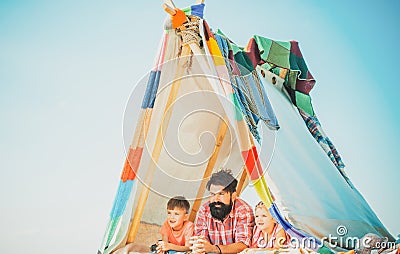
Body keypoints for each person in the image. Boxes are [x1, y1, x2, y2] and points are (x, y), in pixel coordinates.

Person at [190, 169, 255, 254]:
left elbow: (243, 245)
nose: (216, 199)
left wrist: (214, 249)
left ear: (233, 196)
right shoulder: (204, 211)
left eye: (221, 194)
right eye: (213, 194)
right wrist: (199, 247)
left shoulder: (243, 210)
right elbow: (201, 243)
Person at [114, 196, 193, 254]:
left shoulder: (189, 226)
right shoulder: (167, 224)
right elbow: (164, 242)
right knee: (155, 249)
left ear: (185, 216)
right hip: (169, 250)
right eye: (169, 213)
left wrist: (169, 246)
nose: (171, 217)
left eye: (176, 214)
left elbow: (187, 248)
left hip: (181, 251)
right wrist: (162, 248)